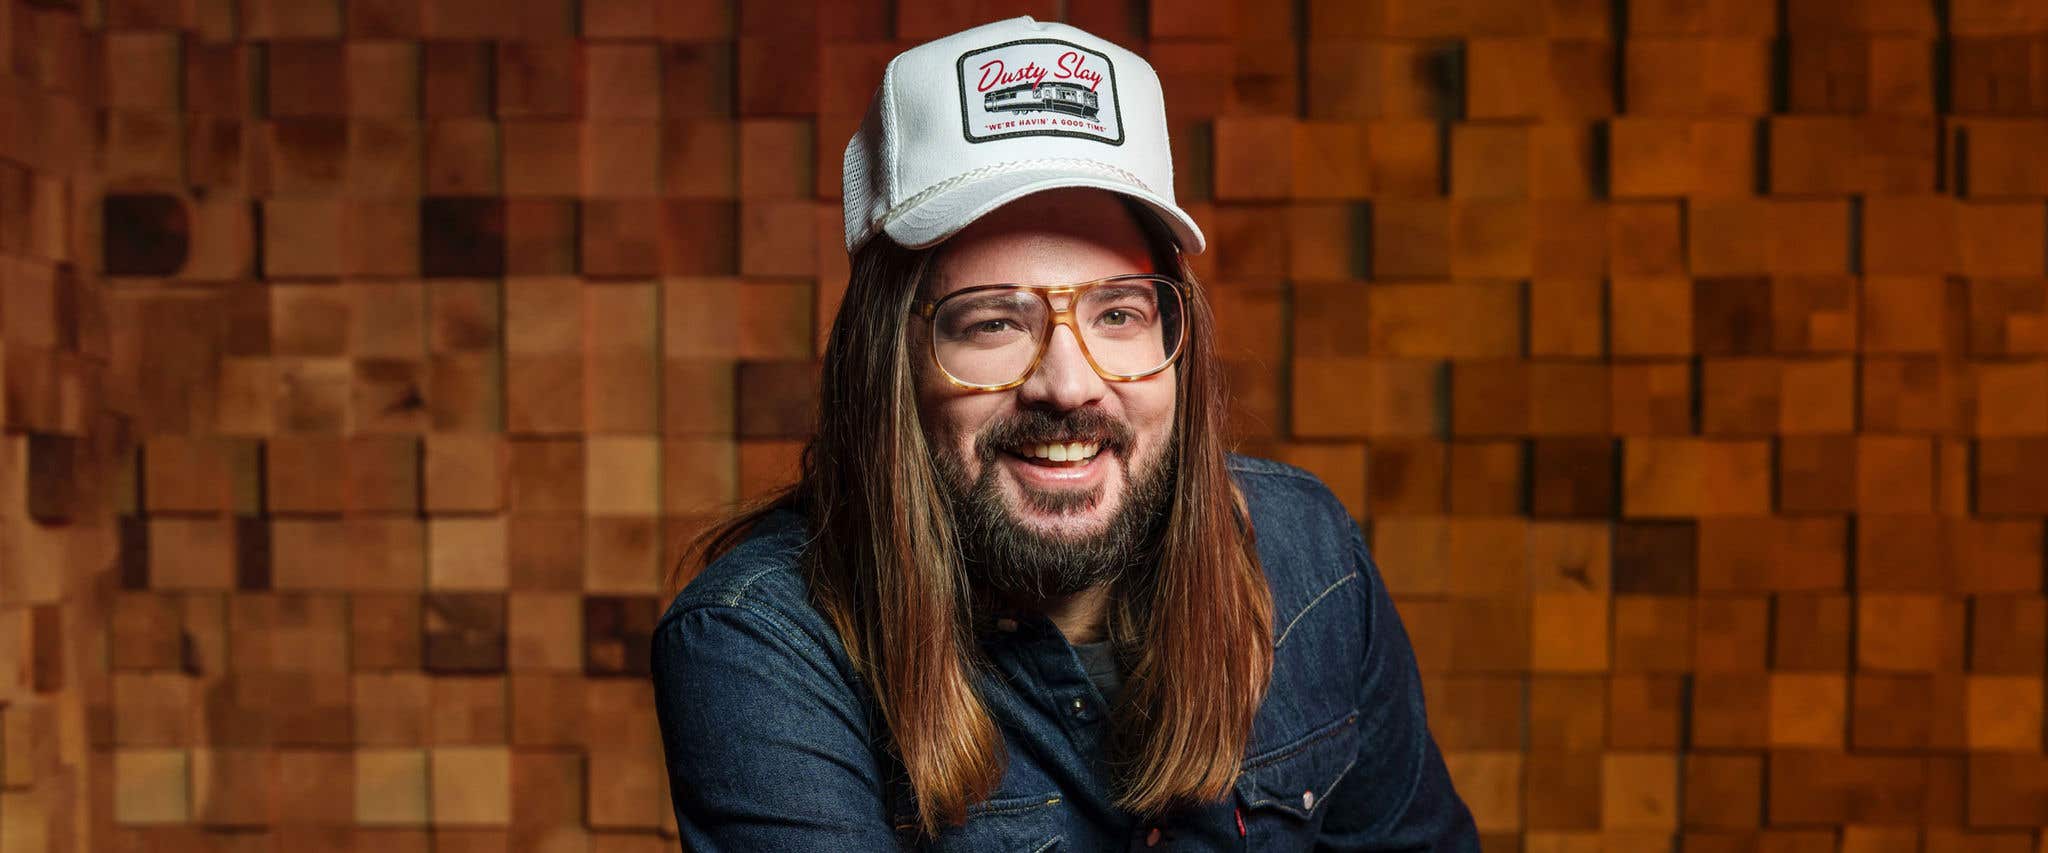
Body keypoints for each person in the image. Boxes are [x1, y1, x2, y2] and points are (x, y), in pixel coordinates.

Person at [652, 16, 1478, 851]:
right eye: (991, 324)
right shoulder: (760, 647)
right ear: (886, 365)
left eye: (1118, 312)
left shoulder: (1310, 560)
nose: (1071, 384)